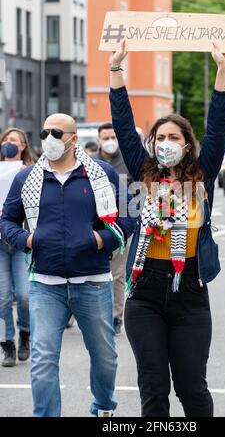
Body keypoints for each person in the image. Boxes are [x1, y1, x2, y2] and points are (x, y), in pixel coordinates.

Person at [109, 40, 225, 417]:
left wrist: (222, 70)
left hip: (190, 291)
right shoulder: (143, 173)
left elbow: (218, 128)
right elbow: (124, 126)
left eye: (173, 137)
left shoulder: (202, 174)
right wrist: (116, 70)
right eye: (160, 138)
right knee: (153, 389)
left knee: (193, 388)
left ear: (187, 144)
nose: (165, 144)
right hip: (144, 293)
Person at [0, 114, 136, 417]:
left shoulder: (102, 174)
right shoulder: (27, 178)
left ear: (73, 139)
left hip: (94, 282)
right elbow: (6, 220)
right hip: (45, 285)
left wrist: (100, 240)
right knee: (43, 359)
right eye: (45, 131)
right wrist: (27, 240)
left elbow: (128, 218)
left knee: (104, 357)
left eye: (56, 133)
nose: (49, 138)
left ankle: (103, 408)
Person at [0, 128, 33, 367]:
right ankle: (7, 343)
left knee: (23, 295)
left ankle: (25, 332)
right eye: (5, 140)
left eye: (13, 140)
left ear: (22, 146)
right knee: (2, 298)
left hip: (21, 240)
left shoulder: (30, 171)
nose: (7, 144)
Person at [98, 123, 133, 335]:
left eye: (113, 136)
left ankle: (115, 316)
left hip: (121, 226)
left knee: (117, 274)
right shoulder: (90, 162)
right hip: (95, 225)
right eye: (106, 137)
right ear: (99, 140)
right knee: (90, 272)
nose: (110, 140)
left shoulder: (128, 162)